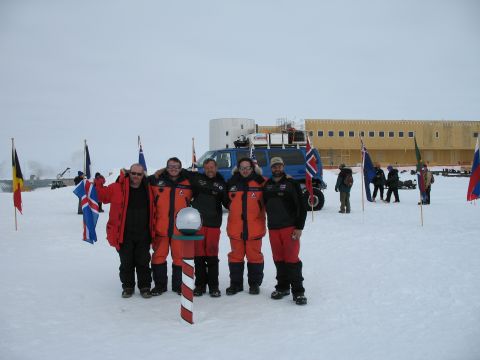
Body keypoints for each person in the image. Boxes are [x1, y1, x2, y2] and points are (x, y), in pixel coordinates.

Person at [95, 164, 156, 299]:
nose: (136, 176)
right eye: (133, 173)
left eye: (139, 174)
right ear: (129, 173)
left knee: (143, 261)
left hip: (143, 233)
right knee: (126, 262)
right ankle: (128, 287)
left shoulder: (149, 188)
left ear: (143, 175)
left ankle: (145, 286)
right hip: (123, 234)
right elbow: (101, 196)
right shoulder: (117, 187)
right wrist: (98, 181)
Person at [263, 157, 308, 305]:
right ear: (271, 168)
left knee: (292, 259)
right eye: (274, 166)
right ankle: (282, 287)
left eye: (279, 166)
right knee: (278, 259)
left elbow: (302, 206)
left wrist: (299, 227)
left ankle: (298, 292)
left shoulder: (292, 183)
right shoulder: (267, 185)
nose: (277, 169)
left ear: (283, 166)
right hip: (273, 228)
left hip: (289, 228)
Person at [149, 157, 193, 296]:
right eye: (170, 166)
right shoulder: (156, 181)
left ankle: (178, 286)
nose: (173, 168)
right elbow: (138, 181)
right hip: (160, 228)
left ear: (181, 168)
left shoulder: (188, 182)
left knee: (179, 257)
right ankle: (160, 286)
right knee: (158, 257)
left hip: (178, 229)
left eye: (176, 166)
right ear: (166, 167)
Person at [225, 157, 266, 295]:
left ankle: (254, 284)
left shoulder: (261, 182)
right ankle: (235, 284)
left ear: (252, 168)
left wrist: (288, 178)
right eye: (242, 168)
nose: (245, 170)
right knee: (235, 257)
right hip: (235, 228)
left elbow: (275, 187)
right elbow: (224, 199)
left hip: (255, 228)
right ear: (238, 169)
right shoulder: (231, 182)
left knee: (254, 257)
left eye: (248, 168)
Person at [188, 159, 227, 298]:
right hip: (198, 223)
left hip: (214, 224)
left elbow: (228, 203)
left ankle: (214, 286)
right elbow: (178, 173)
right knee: (198, 256)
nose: (209, 170)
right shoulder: (197, 178)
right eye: (207, 167)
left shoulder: (222, 184)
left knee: (211, 255)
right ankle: (199, 285)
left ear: (216, 167)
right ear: (203, 168)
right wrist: (159, 172)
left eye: (212, 167)